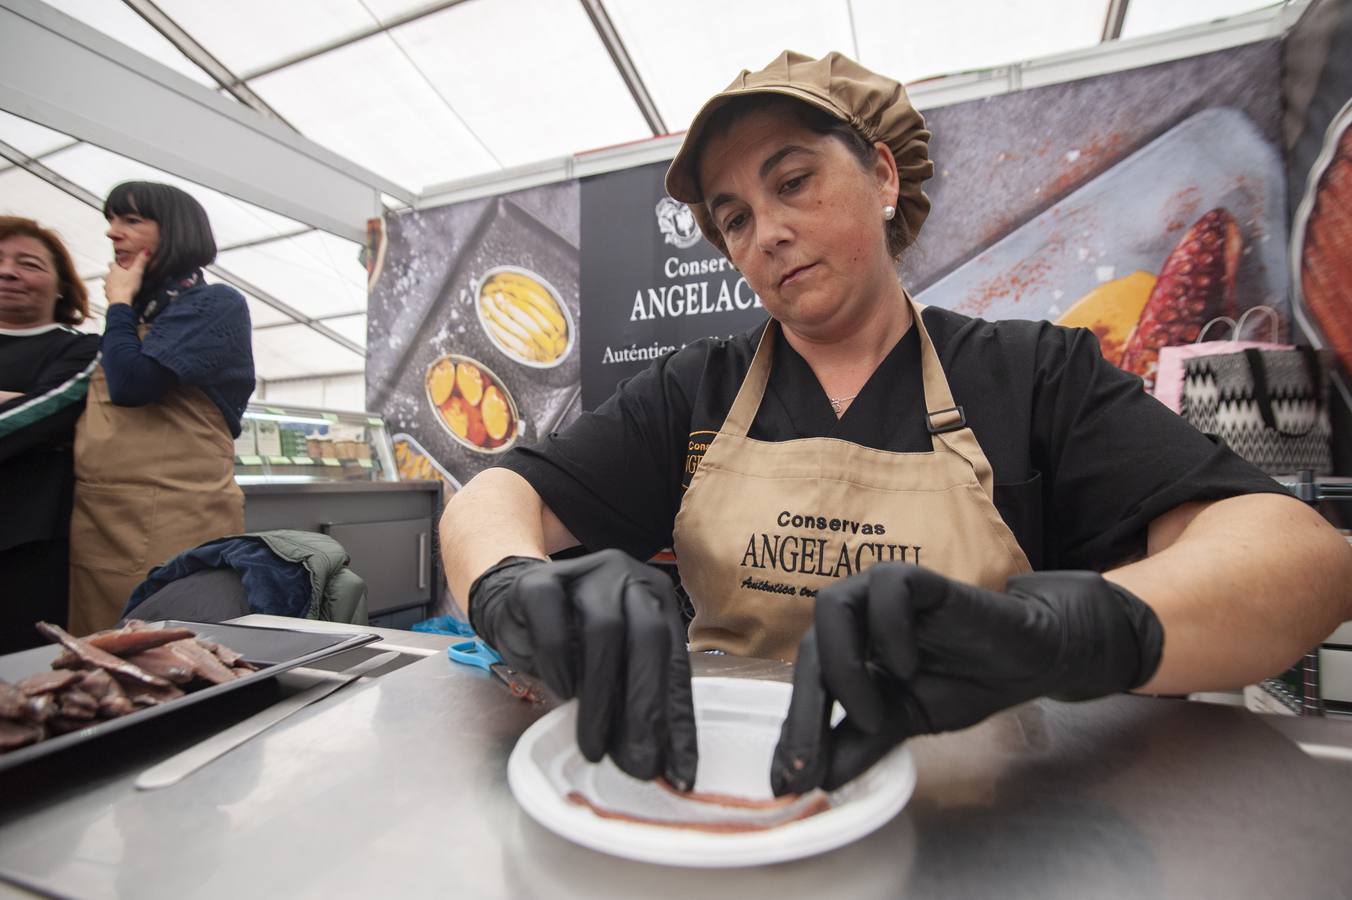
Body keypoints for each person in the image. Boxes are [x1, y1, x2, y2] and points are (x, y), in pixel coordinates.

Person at [440, 51, 1352, 795]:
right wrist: (507, 584)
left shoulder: (1030, 375)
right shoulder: (698, 389)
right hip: (720, 794)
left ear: (882, 173)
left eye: (792, 182)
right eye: (735, 219)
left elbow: (1298, 558)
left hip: (980, 814)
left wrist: (1075, 632)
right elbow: (496, 493)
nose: (767, 233)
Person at [68, 182, 255, 635]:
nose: (113, 233)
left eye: (131, 220)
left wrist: (117, 303)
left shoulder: (214, 305)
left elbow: (133, 383)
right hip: (102, 513)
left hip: (177, 511)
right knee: (96, 649)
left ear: (175, 231)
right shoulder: (140, 311)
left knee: (170, 643)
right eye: (111, 221)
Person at [0, 217, 100, 651]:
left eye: (30, 264)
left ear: (62, 286)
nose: (8, 271)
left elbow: (45, 411)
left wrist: (21, 405)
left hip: (25, 541)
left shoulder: (79, 348)